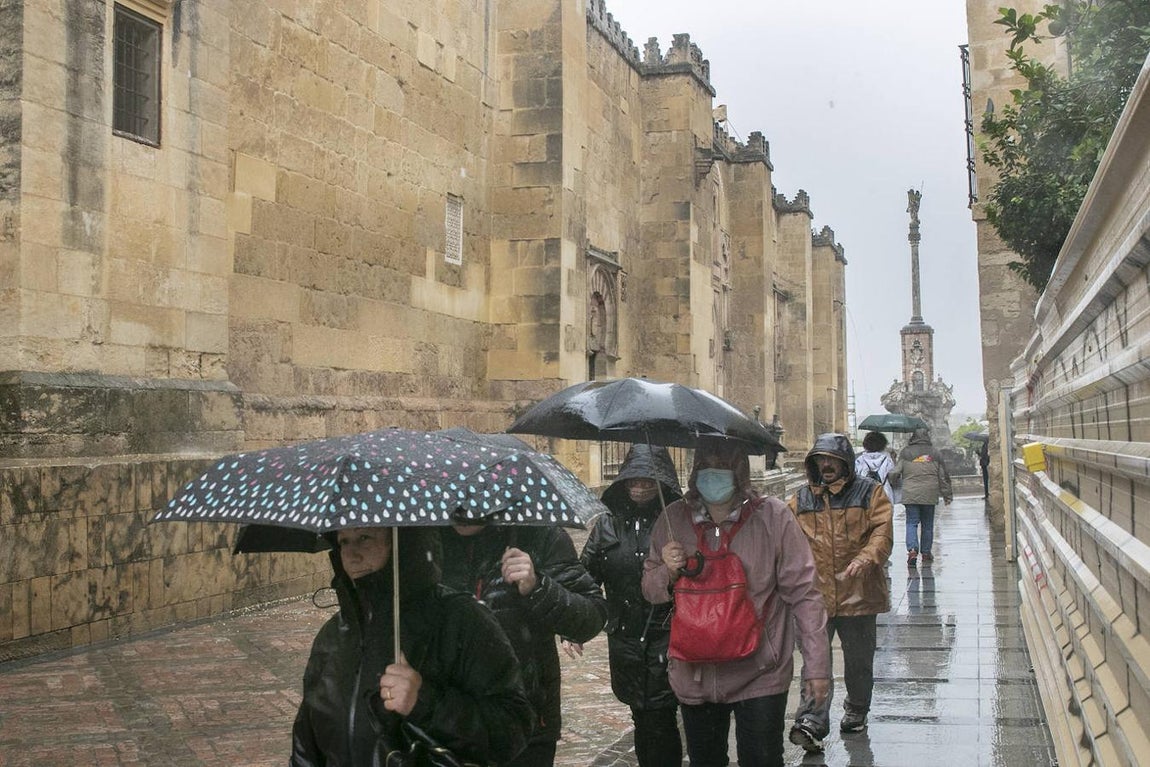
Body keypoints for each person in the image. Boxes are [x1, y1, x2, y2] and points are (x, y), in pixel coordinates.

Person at [641, 437, 830, 767]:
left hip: (760, 672)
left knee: (762, 758)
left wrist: (817, 667)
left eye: (723, 468)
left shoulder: (773, 518)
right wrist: (666, 573)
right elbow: (650, 591)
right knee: (705, 760)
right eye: (706, 467)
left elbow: (805, 595)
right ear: (695, 471)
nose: (714, 476)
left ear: (740, 473)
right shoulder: (673, 520)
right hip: (694, 673)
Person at [291, 526, 534, 766]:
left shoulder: (461, 621)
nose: (352, 555)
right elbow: (307, 741)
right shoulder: (333, 636)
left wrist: (425, 703)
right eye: (344, 541)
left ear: (401, 541)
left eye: (365, 538)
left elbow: (512, 730)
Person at [439, 521, 608, 767]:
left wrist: (538, 586)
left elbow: (592, 616)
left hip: (526, 722)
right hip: (446, 720)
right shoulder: (419, 538)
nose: (466, 506)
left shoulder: (540, 534)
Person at [576, 444, 686, 767]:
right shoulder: (608, 524)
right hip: (625, 636)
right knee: (640, 713)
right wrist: (576, 625)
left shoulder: (675, 521)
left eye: (648, 481)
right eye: (633, 480)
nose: (639, 488)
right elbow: (587, 576)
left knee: (661, 716)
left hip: (665, 634)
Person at [787, 433, 894, 750]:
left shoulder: (870, 492)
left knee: (859, 661)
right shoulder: (801, 499)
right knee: (814, 661)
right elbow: (784, 536)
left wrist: (867, 557)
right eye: (820, 459)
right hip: (816, 596)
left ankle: (857, 710)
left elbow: (882, 530)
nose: (826, 465)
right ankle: (812, 720)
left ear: (845, 461)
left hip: (859, 594)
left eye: (831, 459)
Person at [890, 427, 953, 566]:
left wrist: (892, 483)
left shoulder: (906, 453)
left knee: (911, 522)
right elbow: (943, 477)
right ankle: (926, 552)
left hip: (910, 493)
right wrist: (947, 495)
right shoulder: (935, 453)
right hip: (930, 493)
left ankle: (912, 550)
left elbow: (895, 472)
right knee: (928, 524)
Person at [854, 431, 896, 502]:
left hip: (863, 494)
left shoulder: (859, 460)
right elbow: (893, 478)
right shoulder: (887, 460)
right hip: (884, 494)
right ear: (883, 444)